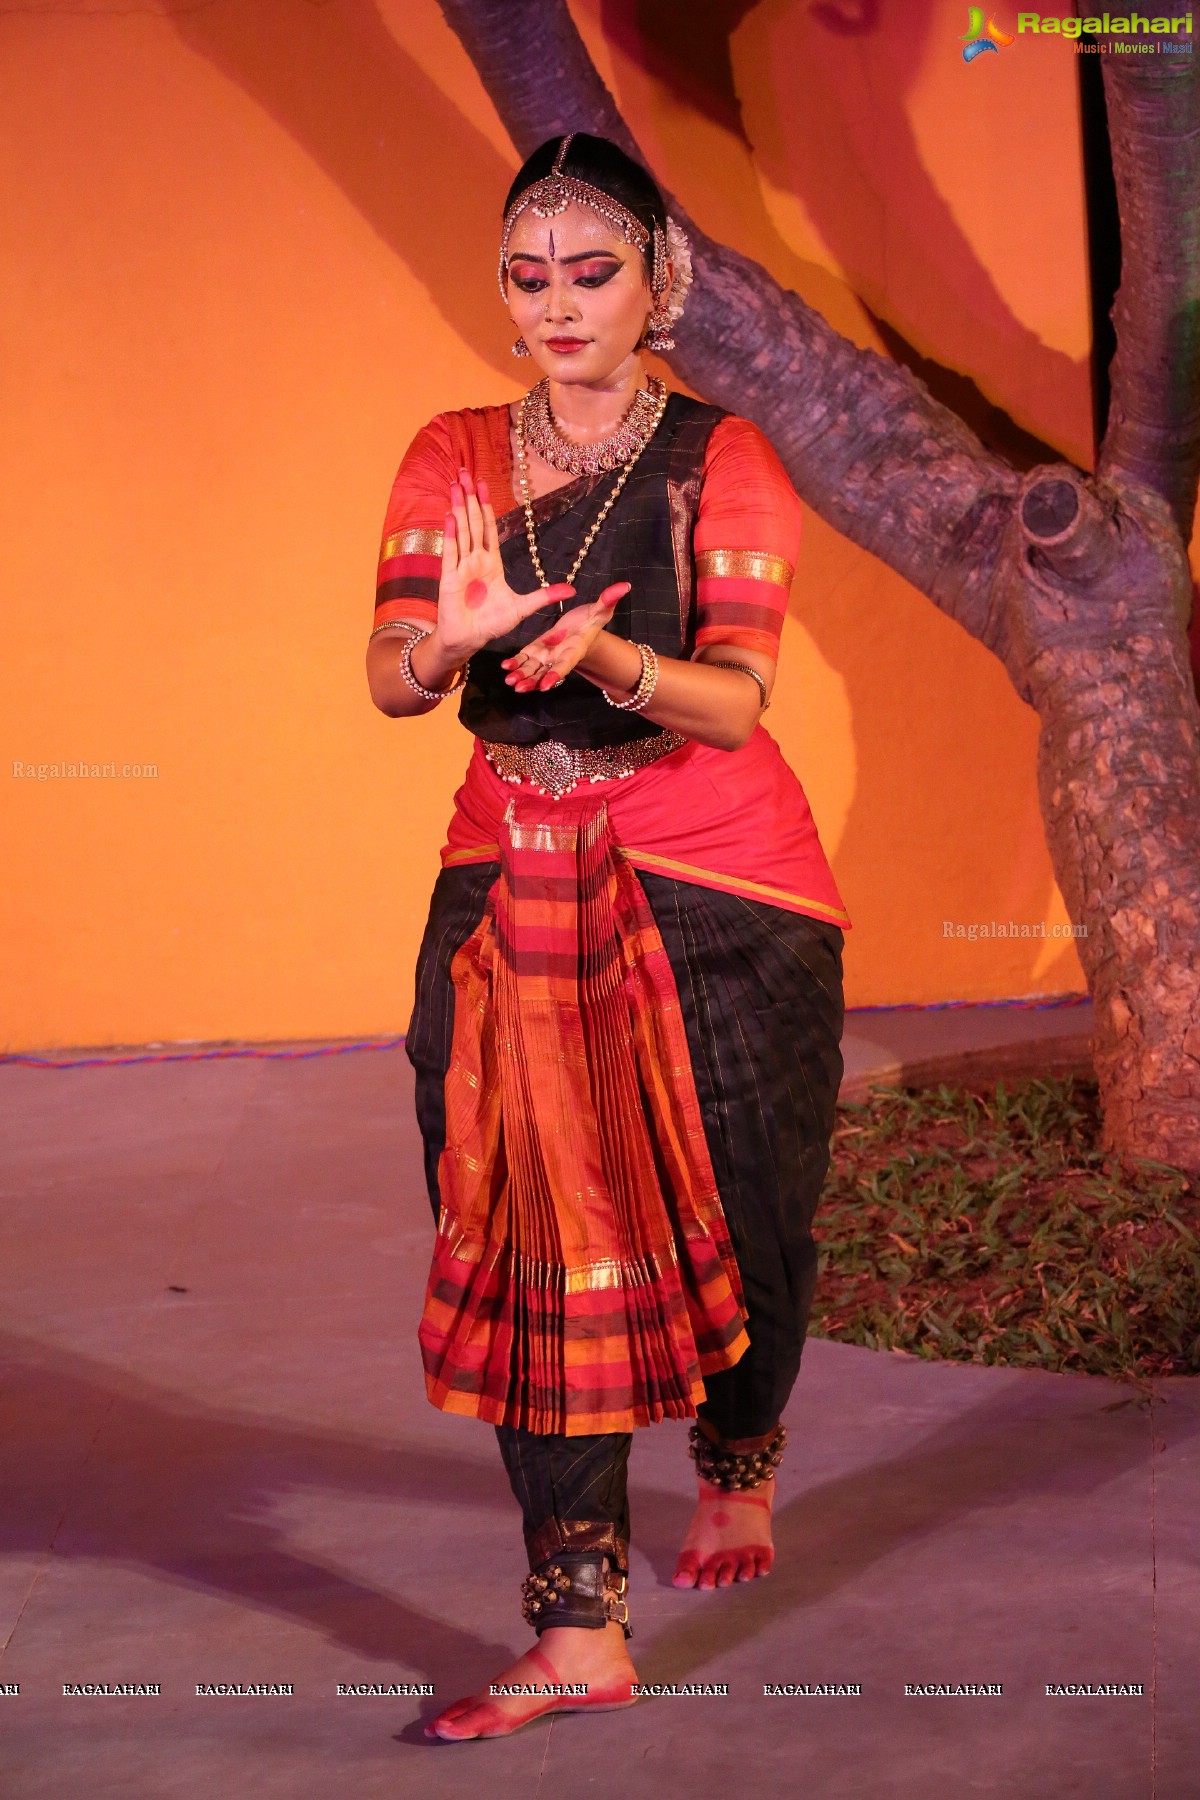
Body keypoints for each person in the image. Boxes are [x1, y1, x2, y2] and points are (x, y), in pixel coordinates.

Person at [365, 132, 851, 1743]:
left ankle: (738, 1455)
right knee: (509, 1215)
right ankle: (577, 1621)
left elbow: (734, 701)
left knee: (749, 1204)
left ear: (661, 282)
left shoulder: (726, 455)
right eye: (530, 275)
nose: (560, 303)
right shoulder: (451, 452)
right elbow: (384, 673)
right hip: (508, 864)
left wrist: (607, 660)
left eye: (595, 271)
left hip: (717, 875)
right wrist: (458, 644)